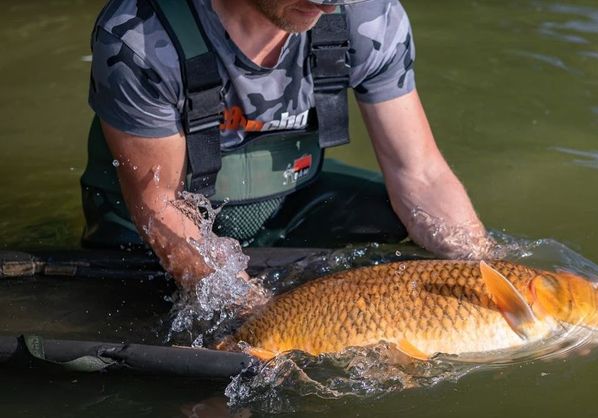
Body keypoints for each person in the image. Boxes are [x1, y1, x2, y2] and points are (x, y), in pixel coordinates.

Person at [80, 0, 492, 291]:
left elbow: (419, 173)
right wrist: (248, 310)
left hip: (292, 202)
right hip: (150, 229)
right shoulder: (140, 37)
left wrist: (485, 273)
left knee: (416, 234)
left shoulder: (366, 15)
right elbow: (160, 205)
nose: (328, 7)